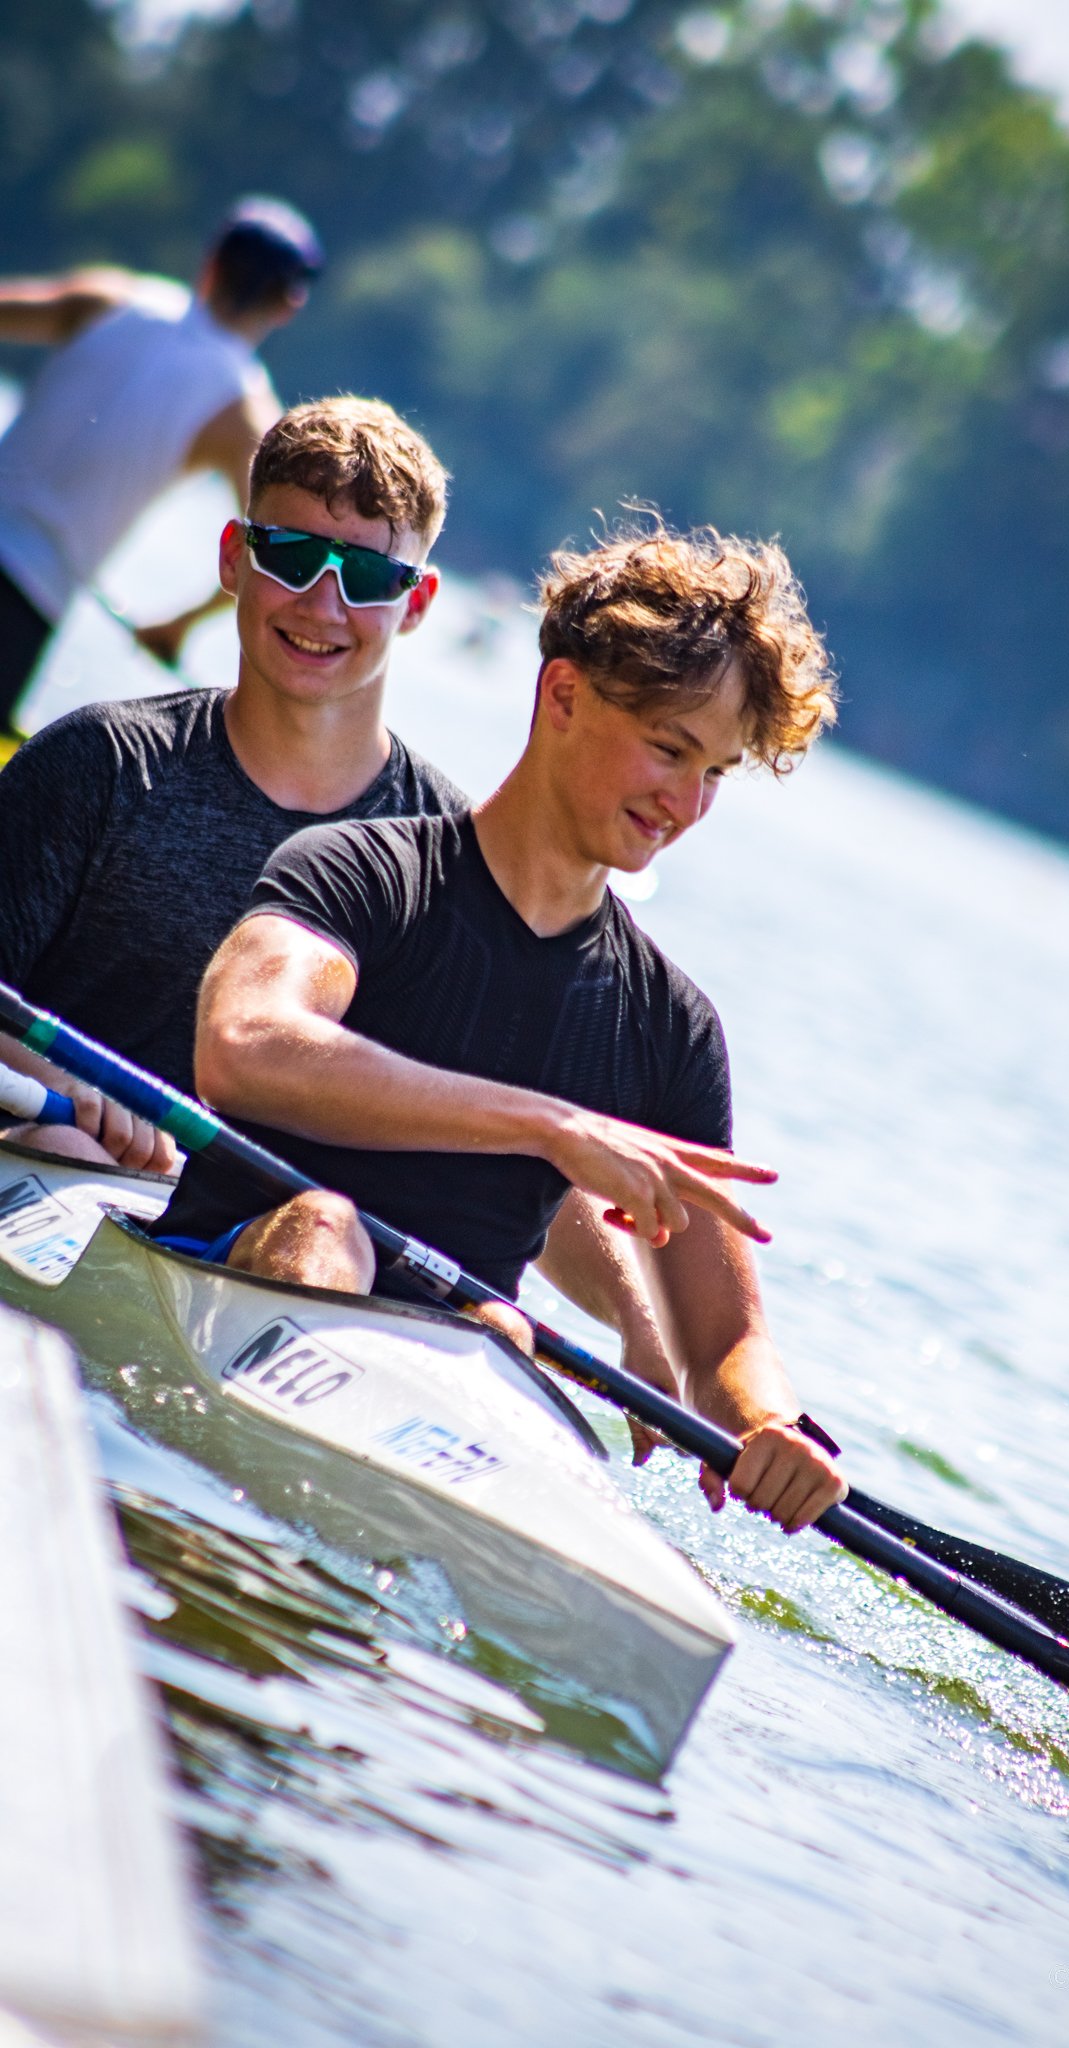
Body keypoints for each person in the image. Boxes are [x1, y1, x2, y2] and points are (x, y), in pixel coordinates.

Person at [154, 521, 848, 1529]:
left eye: (716, 771)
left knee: (498, 1325)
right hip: (230, 1263)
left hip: (445, 1351)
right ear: (563, 694)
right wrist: (549, 1126)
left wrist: (776, 1422)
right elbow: (244, 1047)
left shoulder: (671, 1029)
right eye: (669, 748)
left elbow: (723, 1345)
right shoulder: (359, 872)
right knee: (327, 1227)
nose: (687, 801)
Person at [0, 396, 690, 1402]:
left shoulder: (456, 856)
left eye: (366, 574)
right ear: (234, 556)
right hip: (58, 1157)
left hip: (298, 1252)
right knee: (83, 1146)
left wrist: (642, 1330)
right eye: (292, 555)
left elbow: (508, 1150)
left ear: (415, 603)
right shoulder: (101, 763)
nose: (323, 606)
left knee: (489, 1317)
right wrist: (73, 1093)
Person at [0, 194, 323, 738]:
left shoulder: (110, 296)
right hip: (24, 606)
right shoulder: (240, 406)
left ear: (211, 261)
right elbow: (289, 553)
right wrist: (179, 625)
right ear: (289, 305)